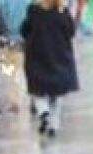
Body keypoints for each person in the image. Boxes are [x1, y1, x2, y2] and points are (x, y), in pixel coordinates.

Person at [21, 0, 76, 136]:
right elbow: (71, 31)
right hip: (59, 57)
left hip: (37, 56)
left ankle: (43, 112)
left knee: (37, 90)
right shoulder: (62, 11)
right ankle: (54, 125)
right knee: (57, 93)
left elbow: (24, 30)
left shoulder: (34, 10)